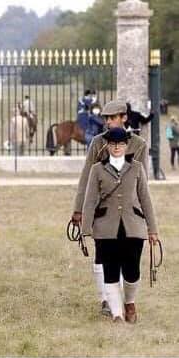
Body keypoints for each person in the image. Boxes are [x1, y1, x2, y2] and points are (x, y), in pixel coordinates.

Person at [71, 100, 149, 317]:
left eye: (112, 117)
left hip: (128, 211)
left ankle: (127, 300)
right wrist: (79, 210)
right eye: (105, 118)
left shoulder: (139, 144)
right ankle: (105, 299)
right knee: (102, 256)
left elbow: (141, 182)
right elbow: (86, 177)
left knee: (129, 259)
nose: (107, 122)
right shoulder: (97, 142)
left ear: (124, 118)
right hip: (102, 211)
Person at [81, 127, 159, 323]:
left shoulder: (137, 167)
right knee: (110, 269)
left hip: (133, 226)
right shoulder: (97, 169)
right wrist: (85, 229)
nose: (117, 147)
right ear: (107, 146)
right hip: (105, 228)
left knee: (132, 270)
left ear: (126, 145)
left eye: (121, 144)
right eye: (113, 144)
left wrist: (153, 229)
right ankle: (116, 314)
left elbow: (145, 200)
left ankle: (130, 302)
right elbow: (89, 200)